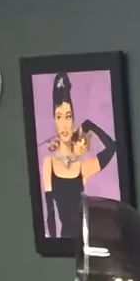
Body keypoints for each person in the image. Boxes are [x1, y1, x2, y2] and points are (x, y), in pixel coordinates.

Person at [39, 72, 118, 241]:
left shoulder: (81, 167)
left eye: (68, 116)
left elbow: (112, 148)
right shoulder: (49, 164)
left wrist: (91, 126)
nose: (64, 123)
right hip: (65, 239)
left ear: (73, 119)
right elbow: (50, 213)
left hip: (86, 237)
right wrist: (53, 246)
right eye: (59, 117)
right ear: (54, 120)